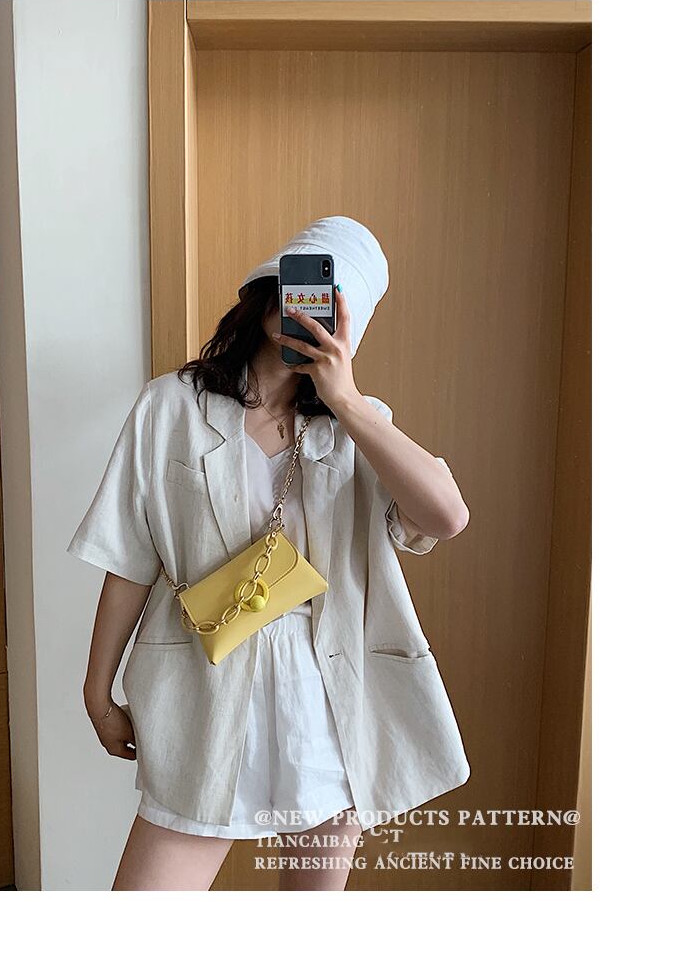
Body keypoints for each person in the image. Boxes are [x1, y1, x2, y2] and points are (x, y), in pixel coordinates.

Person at [67, 215, 471, 891]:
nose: (306, 312)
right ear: (265, 296)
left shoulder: (359, 425)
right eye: (299, 289)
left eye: (329, 306)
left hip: (324, 705)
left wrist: (346, 399)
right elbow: (129, 558)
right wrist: (95, 688)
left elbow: (446, 516)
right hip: (203, 690)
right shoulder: (170, 407)